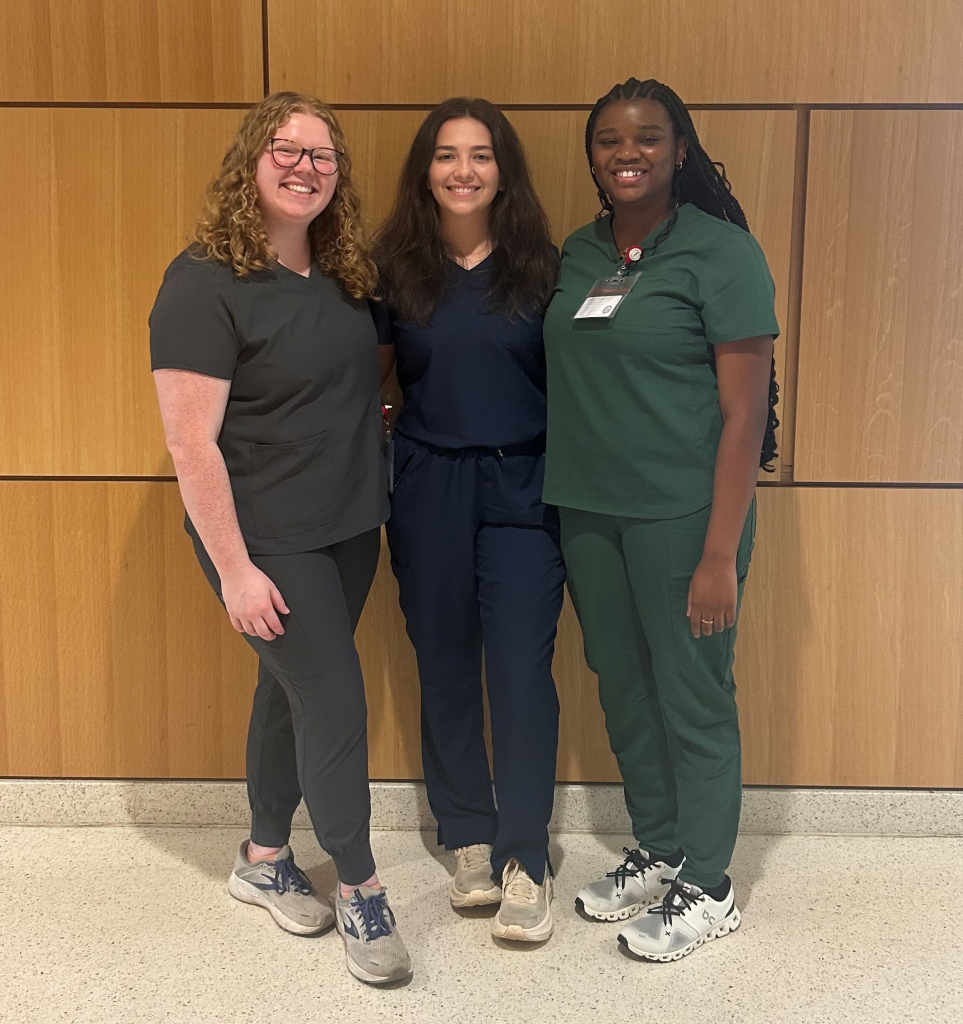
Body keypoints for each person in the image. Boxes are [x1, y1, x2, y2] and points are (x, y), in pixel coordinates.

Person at [149, 91, 411, 985]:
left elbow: (360, 377)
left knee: (288, 691)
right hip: (263, 539)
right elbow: (189, 443)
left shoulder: (344, 273)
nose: (305, 168)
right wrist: (233, 570)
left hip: (347, 526)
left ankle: (262, 858)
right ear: (249, 164)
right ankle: (361, 888)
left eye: (322, 155)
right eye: (285, 151)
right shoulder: (201, 281)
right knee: (335, 702)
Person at [542, 78, 780, 962]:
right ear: (592, 157)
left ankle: (710, 885)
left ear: (681, 150)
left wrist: (719, 552)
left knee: (691, 693)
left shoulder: (721, 254)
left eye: (647, 137)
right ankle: (662, 847)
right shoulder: (577, 252)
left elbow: (744, 416)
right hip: (587, 510)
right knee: (623, 687)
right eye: (607, 139)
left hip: (684, 519)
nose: (626, 152)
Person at [374, 98, 564, 942]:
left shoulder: (542, 267)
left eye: (480, 155)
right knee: (445, 665)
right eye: (445, 154)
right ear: (424, 170)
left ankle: (526, 855)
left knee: (520, 672)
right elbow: (367, 375)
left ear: (504, 169)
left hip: (523, 487)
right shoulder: (393, 269)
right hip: (428, 488)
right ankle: (469, 838)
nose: (462, 170)